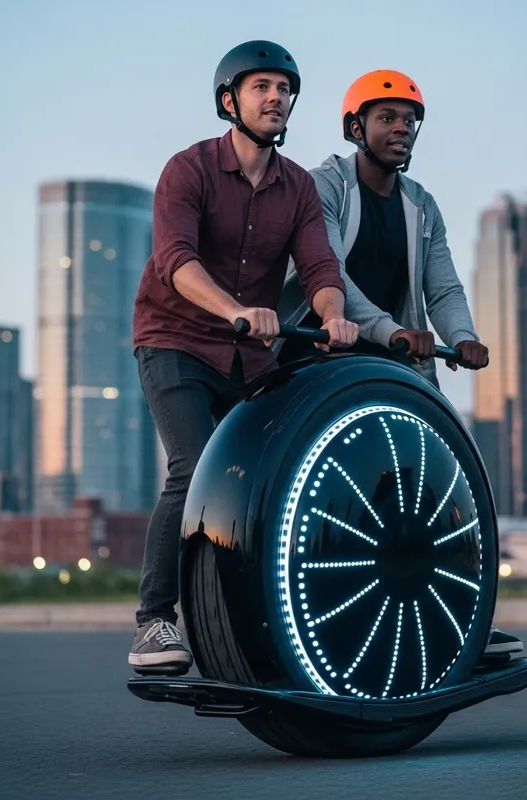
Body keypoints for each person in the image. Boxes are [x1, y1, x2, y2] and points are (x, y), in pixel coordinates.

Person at [275, 69, 523, 659]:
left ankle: (463, 622)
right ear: (355, 126)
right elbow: (326, 274)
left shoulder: (421, 205)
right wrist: (390, 332)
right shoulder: (325, 185)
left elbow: (444, 288)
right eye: (388, 118)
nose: (402, 129)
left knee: (441, 483)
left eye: (410, 121)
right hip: (322, 350)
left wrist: (462, 336)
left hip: (397, 361)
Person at [128, 40, 358, 673]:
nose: (276, 98)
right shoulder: (189, 169)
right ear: (230, 100)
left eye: (284, 89)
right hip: (175, 339)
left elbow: (319, 266)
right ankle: (155, 621)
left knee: (266, 478)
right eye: (261, 88)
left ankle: (253, 614)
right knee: (194, 465)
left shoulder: (299, 188)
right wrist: (233, 309)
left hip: (250, 356)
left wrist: (334, 315)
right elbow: (174, 261)